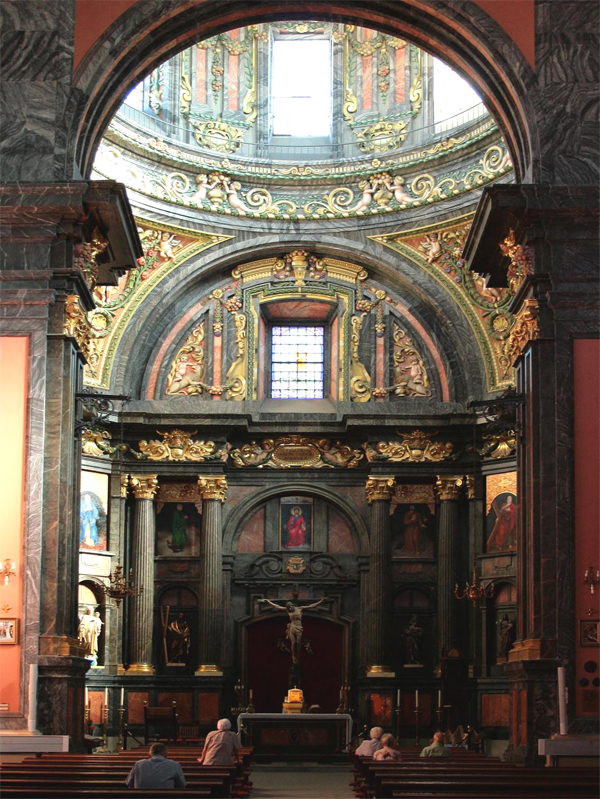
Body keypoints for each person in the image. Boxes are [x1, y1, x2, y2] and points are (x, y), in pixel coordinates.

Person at [258, 597, 330, 664]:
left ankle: (297, 656)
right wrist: (268, 602)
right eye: (288, 608)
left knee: (298, 642)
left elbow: (312, 606)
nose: (289, 609)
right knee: (293, 642)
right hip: (292, 626)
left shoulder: (299, 608)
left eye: (290, 607)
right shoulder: (287, 610)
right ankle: (293, 657)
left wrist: (321, 601)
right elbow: (277, 606)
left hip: (299, 627)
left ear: (293, 606)